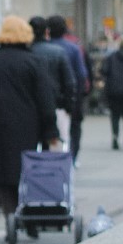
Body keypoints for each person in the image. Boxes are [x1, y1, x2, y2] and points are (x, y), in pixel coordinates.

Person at [0, 17, 60, 222]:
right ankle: (30, 215)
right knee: (29, 169)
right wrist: (51, 130)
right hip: (28, 125)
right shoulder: (33, 60)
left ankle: (10, 216)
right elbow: (45, 98)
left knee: (5, 173)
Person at [27, 17, 77, 147]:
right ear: (46, 32)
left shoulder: (26, 52)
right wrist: (69, 105)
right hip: (57, 105)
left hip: (31, 108)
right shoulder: (59, 52)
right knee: (59, 145)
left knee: (33, 146)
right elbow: (70, 82)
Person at [46, 16, 89, 154]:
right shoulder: (73, 48)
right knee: (73, 128)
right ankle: (72, 156)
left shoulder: (39, 49)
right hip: (69, 96)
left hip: (47, 96)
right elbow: (81, 74)